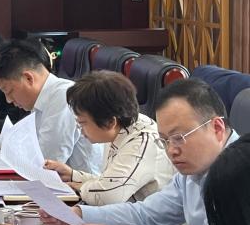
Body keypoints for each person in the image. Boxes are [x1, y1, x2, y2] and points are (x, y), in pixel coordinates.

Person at [42, 78, 236, 225]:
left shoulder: (240, 173)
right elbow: (147, 214)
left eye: (179, 137)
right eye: (165, 140)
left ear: (217, 128)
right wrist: (79, 214)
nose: (171, 150)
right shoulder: (195, 166)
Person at [0, 39, 104, 174]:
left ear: (28, 78)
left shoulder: (62, 98)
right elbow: (28, 145)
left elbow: (45, 162)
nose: (8, 100)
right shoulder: (43, 97)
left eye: (9, 91)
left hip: (80, 187)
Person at [42, 70, 173, 206]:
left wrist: (80, 187)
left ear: (110, 122)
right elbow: (110, 182)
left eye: (82, 123)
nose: (80, 130)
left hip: (150, 219)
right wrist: (72, 175)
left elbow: (108, 196)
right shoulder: (120, 128)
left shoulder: (142, 141)